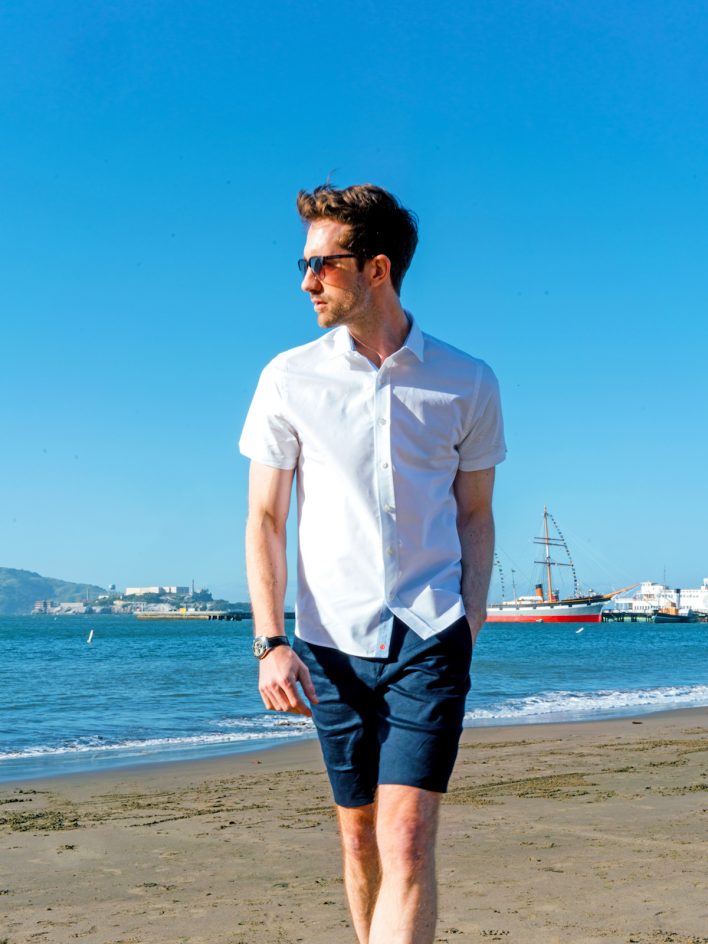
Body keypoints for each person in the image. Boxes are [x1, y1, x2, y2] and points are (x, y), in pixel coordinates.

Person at [239, 183, 506, 944]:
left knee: (407, 838)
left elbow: (476, 514)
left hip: (430, 632)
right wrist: (270, 641)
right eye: (303, 264)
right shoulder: (288, 378)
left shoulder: (467, 380)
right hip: (328, 644)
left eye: (321, 264)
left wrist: (471, 617)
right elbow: (265, 518)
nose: (306, 282)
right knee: (359, 840)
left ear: (377, 269)